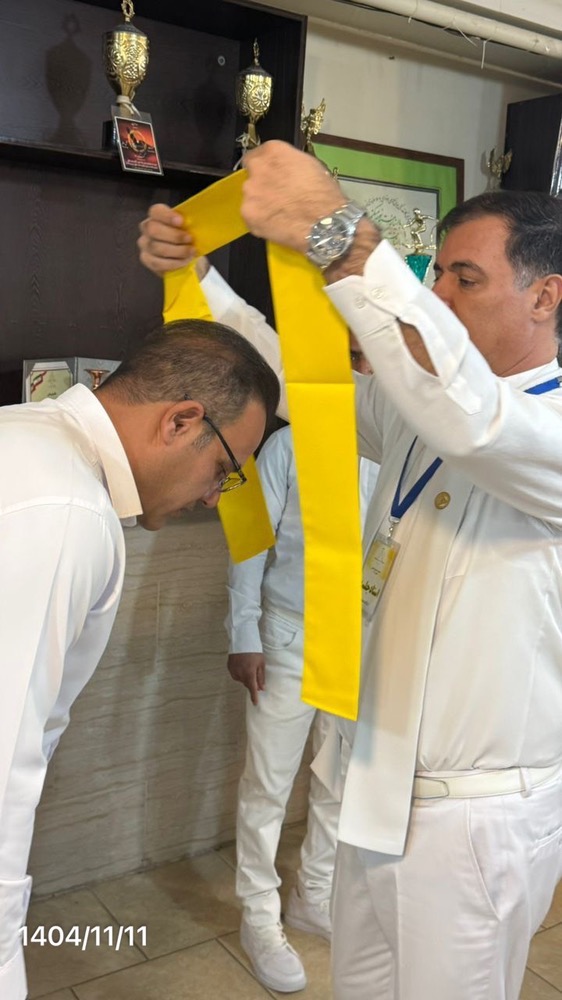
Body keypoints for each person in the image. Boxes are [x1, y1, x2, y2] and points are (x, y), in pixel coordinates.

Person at [138, 146, 562, 1000]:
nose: (442, 296)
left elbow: (475, 420)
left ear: (545, 296)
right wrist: (201, 278)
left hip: (475, 816)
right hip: (375, 781)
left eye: (467, 279)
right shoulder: (424, 412)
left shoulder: (530, 428)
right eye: (437, 275)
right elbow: (306, 382)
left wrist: (340, 236)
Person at [0, 319, 279, 1000]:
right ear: (181, 421)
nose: (213, 496)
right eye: (224, 471)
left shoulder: (26, 432)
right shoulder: (67, 509)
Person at [226, 342, 378, 994]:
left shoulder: (396, 451)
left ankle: (314, 893)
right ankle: (258, 916)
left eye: (374, 361)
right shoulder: (287, 446)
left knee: (340, 778)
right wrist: (243, 633)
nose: (365, 373)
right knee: (268, 785)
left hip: (361, 644)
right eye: (356, 359)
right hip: (286, 637)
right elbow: (248, 541)